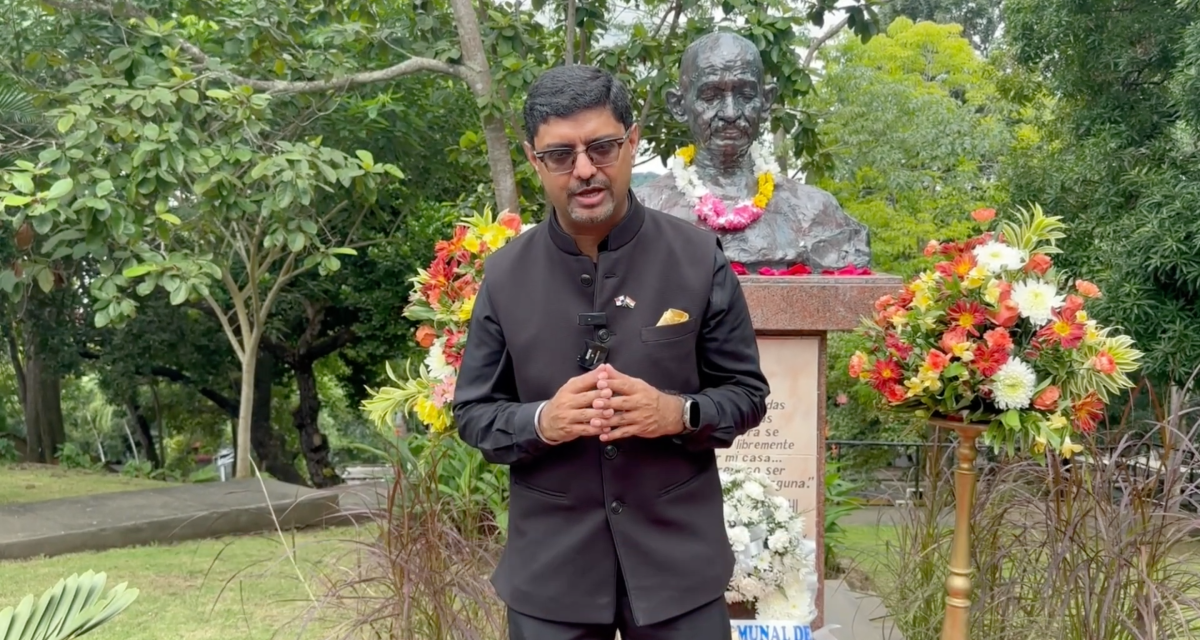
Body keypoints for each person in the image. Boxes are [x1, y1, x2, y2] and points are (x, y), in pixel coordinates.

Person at [452, 63, 771, 640]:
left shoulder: (697, 258)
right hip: (552, 573)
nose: (584, 170)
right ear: (533, 160)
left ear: (632, 142)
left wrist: (678, 413)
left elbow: (746, 395)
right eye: (560, 155)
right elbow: (474, 414)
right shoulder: (505, 276)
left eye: (601, 147)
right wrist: (543, 421)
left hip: (678, 567)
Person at [637, 31, 872, 273]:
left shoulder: (816, 211)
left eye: (746, 95)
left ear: (766, 101)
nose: (730, 113)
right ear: (678, 105)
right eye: (711, 96)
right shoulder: (643, 211)